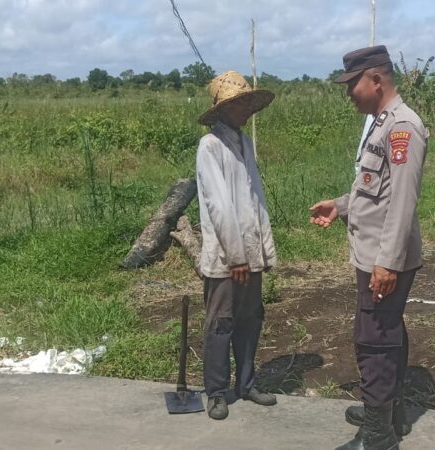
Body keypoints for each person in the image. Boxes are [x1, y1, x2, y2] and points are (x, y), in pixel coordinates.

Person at [310, 45, 428, 450]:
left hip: (384, 257)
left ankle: (378, 436)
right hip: (375, 254)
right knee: (386, 330)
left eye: (352, 84)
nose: (349, 93)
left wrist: (388, 264)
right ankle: (389, 414)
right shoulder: (381, 124)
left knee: (374, 339)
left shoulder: (402, 127)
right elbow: (375, 189)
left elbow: (403, 201)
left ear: (375, 80)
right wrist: (341, 206)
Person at [196, 70, 278, 420]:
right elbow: (219, 206)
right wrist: (236, 256)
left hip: (250, 252)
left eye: (247, 102)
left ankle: (246, 383)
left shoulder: (245, 143)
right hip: (227, 256)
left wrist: (263, 250)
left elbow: (255, 199)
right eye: (239, 103)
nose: (246, 109)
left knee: (250, 318)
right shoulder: (210, 146)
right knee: (221, 323)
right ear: (224, 109)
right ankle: (216, 391)